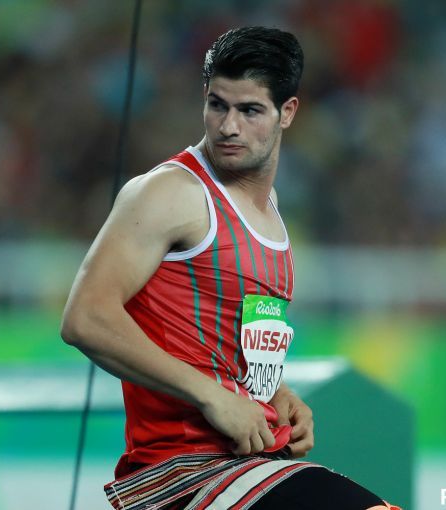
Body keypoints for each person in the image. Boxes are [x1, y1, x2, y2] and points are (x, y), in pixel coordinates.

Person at [61, 26, 400, 510]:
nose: (228, 127)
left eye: (250, 111)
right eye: (217, 105)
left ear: (288, 112)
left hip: (250, 463)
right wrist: (212, 397)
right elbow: (85, 318)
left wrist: (276, 393)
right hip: (183, 475)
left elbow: (223, 346)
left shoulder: (270, 207)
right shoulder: (169, 192)